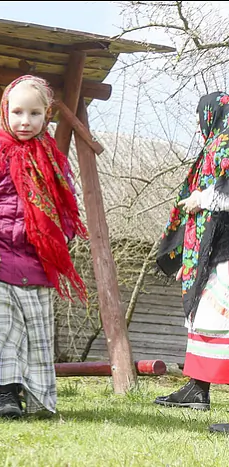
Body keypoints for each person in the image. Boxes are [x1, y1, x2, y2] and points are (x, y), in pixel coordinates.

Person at [0, 75, 88, 419]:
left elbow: (66, 207)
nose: (25, 121)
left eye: (34, 114)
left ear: (46, 115)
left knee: (35, 337)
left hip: (38, 262)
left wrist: (60, 239)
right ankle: (4, 395)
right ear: (5, 111)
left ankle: (33, 394)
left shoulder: (54, 161)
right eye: (18, 112)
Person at [153, 91, 228, 417]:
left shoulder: (223, 141)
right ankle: (197, 388)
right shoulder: (216, 143)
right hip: (214, 247)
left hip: (225, 247)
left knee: (220, 318)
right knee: (206, 318)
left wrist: (203, 198)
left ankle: (198, 389)